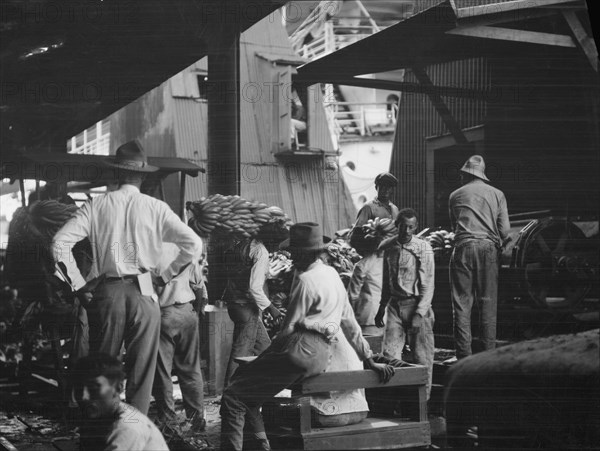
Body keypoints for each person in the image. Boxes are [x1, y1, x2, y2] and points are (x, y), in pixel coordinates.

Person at [52, 140, 202, 414]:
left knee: (104, 367)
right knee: (142, 370)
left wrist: (78, 285)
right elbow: (193, 244)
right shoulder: (155, 208)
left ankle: (101, 432)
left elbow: (59, 243)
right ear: (144, 175)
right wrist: (164, 276)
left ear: (116, 173)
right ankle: (134, 435)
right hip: (145, 288)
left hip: (108, 291)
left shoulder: (98, 206)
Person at [220, 222, 395, 451]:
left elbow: (288, 329)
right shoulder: (332, 275)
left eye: (293, 253)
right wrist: (369, 358)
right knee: (249, 388)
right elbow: (350, 322)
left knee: (233, 396)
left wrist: (266, 356)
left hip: (298, 352)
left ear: (303, 253)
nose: (291, 258)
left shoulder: (305, 280)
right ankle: (263, 444)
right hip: (320, 355)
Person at [449, 155, 510, 359]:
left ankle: (464, 358)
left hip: (463, 249)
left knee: (462, 305)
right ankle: (487, 357)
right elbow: (505, 231)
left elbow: (453, 227)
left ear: (466, 174)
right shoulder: (497, 194)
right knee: (487, 303)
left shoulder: (455, 195)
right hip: (487, 251)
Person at [375, 208, 435, 399]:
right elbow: (386, 280)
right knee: (390, 354)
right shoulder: (388, 246)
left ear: (415, 227)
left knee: (421, 356)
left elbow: (428, 284)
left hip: (416, 305)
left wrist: (419, 314)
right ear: (397, 225)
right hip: (394, 305)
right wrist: (381, 307)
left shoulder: (423, 248)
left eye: (411, 227)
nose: (406, 231)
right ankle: (394, 401)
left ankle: (422, 402)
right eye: (403, 226)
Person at [152, 244, 208, 444]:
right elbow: (199, 286)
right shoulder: (184, 251)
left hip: (163, 314)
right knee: (191, 369)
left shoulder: (149, 251)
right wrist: (196, 313)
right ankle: (197, 420)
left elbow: (143, 290)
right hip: (186, 311)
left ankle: (168, 423)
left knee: (162, 372)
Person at [73, 353, 169, 451]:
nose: (84, 397)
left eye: (93, 388)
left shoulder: (127, 428)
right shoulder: (101, 413)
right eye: (78, 388)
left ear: (118, 388)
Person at [222, 233, 283, 386]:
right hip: (246, 306)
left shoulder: (242, 245)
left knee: (264, 347)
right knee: (241, 350)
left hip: (235, 304)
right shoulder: (260, 251)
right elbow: (254, 287)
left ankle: (262, 388)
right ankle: (230, 392)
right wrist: (272, 308)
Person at [348, 172, 399, 255]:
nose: (385, 190)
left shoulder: (395, 209)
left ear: (392, 190)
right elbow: (355, 236)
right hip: (375, 254)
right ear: (376, 188)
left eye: (389, 187)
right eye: (382, 186)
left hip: (392, 254)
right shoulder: (368, 207)